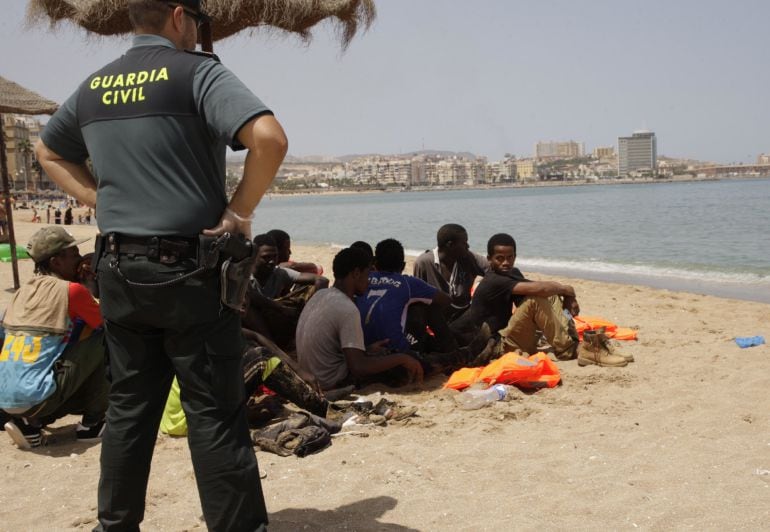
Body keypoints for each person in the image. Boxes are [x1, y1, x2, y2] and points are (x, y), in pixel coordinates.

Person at [35, 1, 288, 529]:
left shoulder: (95, 85)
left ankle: (116, 524)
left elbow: (48, 152)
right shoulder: (197, 73)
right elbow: (268, 139)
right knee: (213, 412)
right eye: (198, 22)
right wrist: (240, 211)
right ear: (179, 16)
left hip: (118, 272)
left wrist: (97, 198)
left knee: (130, 408)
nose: (199, 34)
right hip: (190, 274)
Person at [0, 226, 108, 450]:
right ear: (56, 262)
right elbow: (106, 324)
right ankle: (93, 423)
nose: (80, 260)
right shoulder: (71, 291)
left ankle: (29, 423)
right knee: (105, 340)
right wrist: (91, 285)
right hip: (38, 397)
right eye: (74, 255)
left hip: (7, 399)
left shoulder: (23, 291)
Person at [453, 233, 630, 367]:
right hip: (497, 345)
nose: (505, 262)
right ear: (490, 259)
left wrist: (567, 298)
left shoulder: (512, 274)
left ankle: (576, 343)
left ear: (515, 256)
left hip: (511, 338)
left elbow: (545, 291)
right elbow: (538, 290)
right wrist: (569, 291)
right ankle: (570, 350)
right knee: (536, 299)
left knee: (549, 295)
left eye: (510, 257)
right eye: (499, 258)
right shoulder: (493, 280)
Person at [296, 247, 424, 391]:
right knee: (404, 363)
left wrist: (368, 350)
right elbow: (358, 368)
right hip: (331, 382)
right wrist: (402, 359)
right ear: (356, 273)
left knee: (385, 356)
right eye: (368, 274)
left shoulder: (321, 295)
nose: (369, 281)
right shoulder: (347, 308)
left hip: (312, 375)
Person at [357, 238, 491, 372]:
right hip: (393, 356)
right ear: (403, 266)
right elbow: (445, 300)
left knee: (411, 310)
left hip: (362, 349)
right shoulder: (407, 283)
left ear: (375, 263)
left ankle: (452, 347)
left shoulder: (363, 279)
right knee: (426, 305)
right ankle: (458, 353)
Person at [243, 234, 327, 350]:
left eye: (275, 256)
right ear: (253, 256)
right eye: (266, 257)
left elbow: (321, 280)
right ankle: (273, 347)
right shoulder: (244, 275)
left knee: (308, 288)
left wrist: (311, 310)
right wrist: (279, 307)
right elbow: (251, 295)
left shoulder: (280, 273)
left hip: (274, 321)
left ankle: (301, 335)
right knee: (250, 310)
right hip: (251, 326)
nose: (272, 261)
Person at [413, 223, 488, 320]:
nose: (468, 246)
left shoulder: (468, 257)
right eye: (464, 242)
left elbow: (493, 269)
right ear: (450, 245)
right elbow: (417, 297)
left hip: (464, 316)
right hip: (436, 319)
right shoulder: (424, 263)